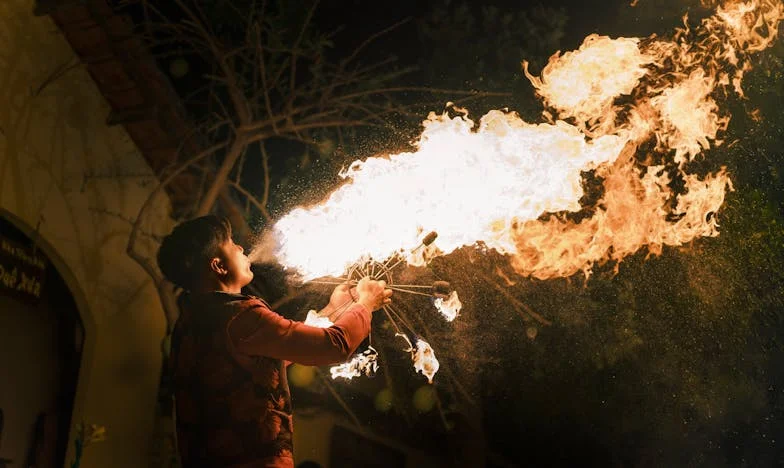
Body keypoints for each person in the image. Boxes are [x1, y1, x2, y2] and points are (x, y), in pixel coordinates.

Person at [156, 215, 392, 468]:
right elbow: (333, 346)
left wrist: (334, 310)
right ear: (218, 266)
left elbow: (281, 348)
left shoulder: (192, 322)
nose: (240, 248)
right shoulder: (239, 315)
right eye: (232, 243)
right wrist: (365, 304)